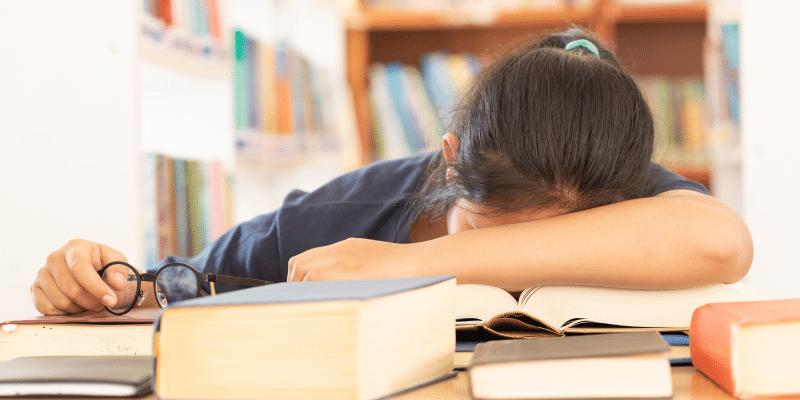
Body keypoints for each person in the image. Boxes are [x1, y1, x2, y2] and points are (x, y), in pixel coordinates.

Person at [31, 27, 753, 316]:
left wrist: (424, 264)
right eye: (494, 226)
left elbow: (723, 242)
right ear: (448, 160)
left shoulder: (603, 171)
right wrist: (101, 286)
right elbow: (177, 290)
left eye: (570, 234)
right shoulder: (333, 221)